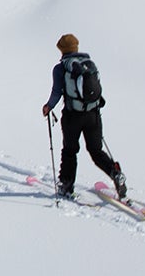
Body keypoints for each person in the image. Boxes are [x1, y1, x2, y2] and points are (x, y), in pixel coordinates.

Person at [42, 34, 127, 200]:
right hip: (93, 115)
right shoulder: (89, 64)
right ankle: (115, 174)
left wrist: (48, 107)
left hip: (73, 116)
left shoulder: (61, 68)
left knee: (70, 151)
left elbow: (56, 92)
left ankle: (66, 186)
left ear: (62, 49)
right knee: (96, 151)